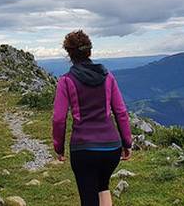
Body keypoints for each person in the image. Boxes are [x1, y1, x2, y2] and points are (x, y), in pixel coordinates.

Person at [52, 30, 133, 206]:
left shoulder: (66, 81)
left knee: (88, 198)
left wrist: (59, 148)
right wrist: (127, 143)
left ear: (69, 54)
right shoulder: (108, 76)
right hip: (111, 147)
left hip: (83, 149)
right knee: (103, 186)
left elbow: (59, 118)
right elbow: (121, 112)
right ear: (90, 51)